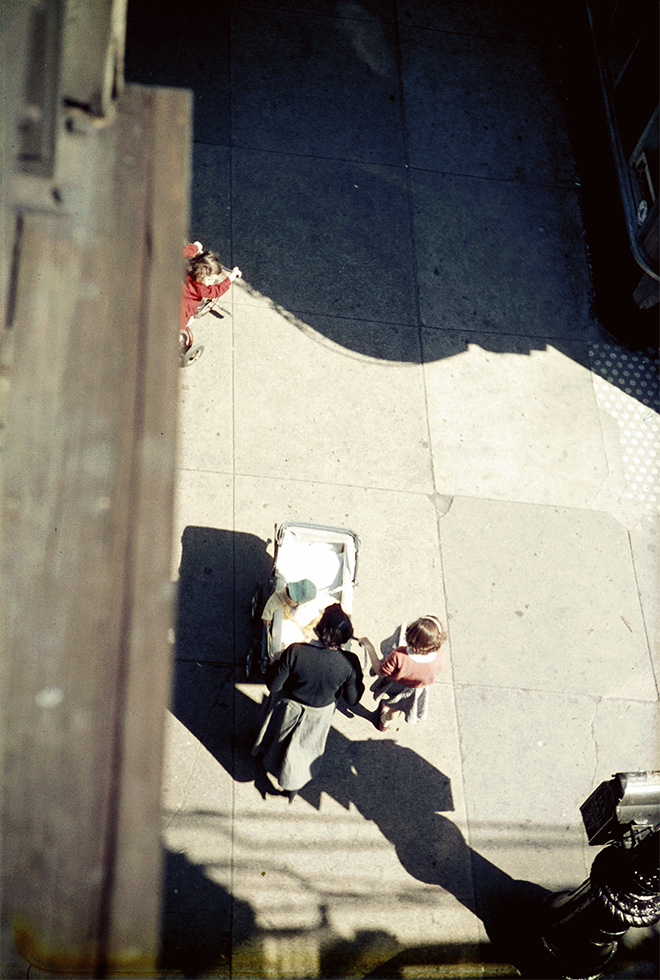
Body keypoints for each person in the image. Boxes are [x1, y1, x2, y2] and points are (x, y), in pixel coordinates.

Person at [252, 603, 364, 802]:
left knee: (278, 739)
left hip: (289, 707)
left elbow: (274, 686)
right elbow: (352, 699)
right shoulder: (349, 663)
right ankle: (292, 785)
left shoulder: (296, 651)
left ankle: (268, 759)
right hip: (319, 714)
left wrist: (277, 662)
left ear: (320, 628)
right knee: (304, 749)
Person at [371, 616, 446, 731]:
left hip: (396, 685)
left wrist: (369, 647)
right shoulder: (440, 657)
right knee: (397, 708)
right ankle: (386, 720)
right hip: (415, 691)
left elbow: (381, 671)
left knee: (392, 702)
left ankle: (385, 714)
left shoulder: (399, 655)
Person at [180, 241, 242, 330]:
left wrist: (195, 247)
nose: (212, 282)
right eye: (210, 279)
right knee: (185, 322)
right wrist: (232, 276)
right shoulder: (201, 288)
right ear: (201, 275)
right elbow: (217, 291)